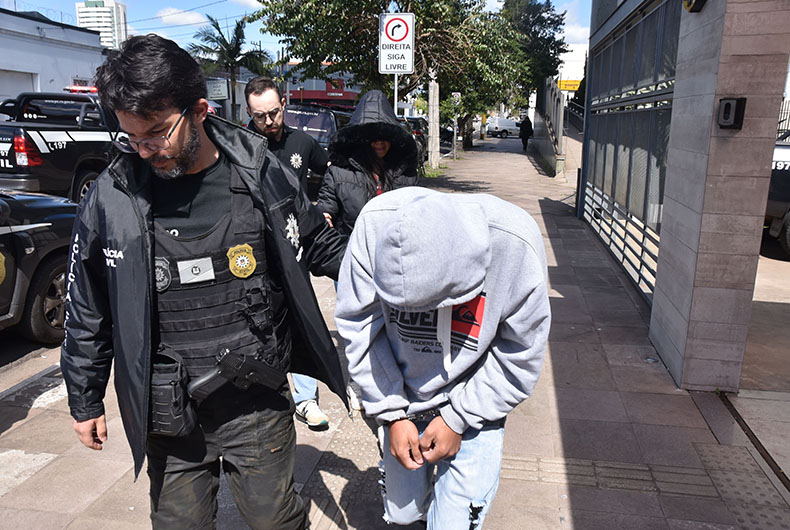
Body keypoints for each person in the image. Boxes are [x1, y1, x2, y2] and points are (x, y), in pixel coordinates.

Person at [60, 34, 348, 530]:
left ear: (199, 110)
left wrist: (396, 273)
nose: (146, 150)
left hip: (256, 400)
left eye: (157, 133)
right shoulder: (111, 196)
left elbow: (318, 244)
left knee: (275, 520)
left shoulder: (261, 171)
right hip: (169, 410)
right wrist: (84, 398)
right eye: (132, 138)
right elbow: (87, 305)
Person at [334, 187, 551, 529]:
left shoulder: (515, 244)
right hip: (402, 397)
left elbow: (521, 353)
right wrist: (391, 414)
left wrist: (458, 418)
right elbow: (359, 326)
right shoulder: (372, 227)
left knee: (453, 523)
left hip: (478, 399)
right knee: (403, 514)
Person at [245, 76, 332, 430]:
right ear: (248, 113)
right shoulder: (241, 146)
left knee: (300, 313)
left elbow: (331, 175)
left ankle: (306, 399)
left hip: (295, 244)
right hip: (254, 249)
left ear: (284, 104)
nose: (268, 121)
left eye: (274, 113)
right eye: (259, 116)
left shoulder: (302, 142)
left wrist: (323, 208)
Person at [316, 89, 420, 236]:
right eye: (373, 138)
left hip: (393, 249)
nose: (379, 143)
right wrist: (325, 219)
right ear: (362, 139)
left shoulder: (407, 175)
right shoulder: (338, 172)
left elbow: (417, 216)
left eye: (384, 137)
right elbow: (325, 208)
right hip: (350, 248)